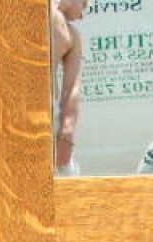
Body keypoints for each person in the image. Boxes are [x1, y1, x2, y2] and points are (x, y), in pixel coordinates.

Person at [51, 0, 88, 174]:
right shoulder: (31, 12)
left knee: (65, 176)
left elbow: (72, 87)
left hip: (48, 118)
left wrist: (66, 135)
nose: (82, 16)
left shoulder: (72, 35)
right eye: (84, 5)